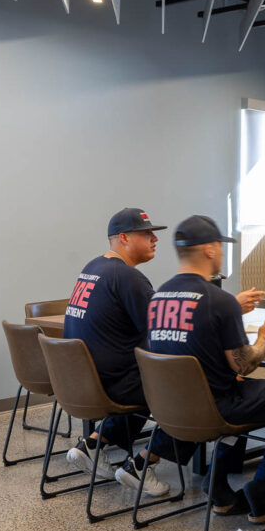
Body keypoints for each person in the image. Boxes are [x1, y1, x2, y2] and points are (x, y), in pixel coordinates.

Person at [145, 215, 265, 522]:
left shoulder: (158, 297)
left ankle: (219, 488)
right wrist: (264, 339)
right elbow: (245, 364)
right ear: (209, 250)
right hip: (215, 409)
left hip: (170, 409)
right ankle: (260, 493)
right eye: (220, 248)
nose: (222, 253)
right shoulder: (218, 300)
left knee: (237, 388)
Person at [63, 208, 175, 496]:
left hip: (80, 383)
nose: (154, 239)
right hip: (112, 384)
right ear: (124, 238)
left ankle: (91, 444)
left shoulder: (92, 267)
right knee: (179, 389)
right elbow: (161, 331)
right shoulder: (128, 278)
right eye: (147, 234)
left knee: (147, 380)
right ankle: (140, 466)